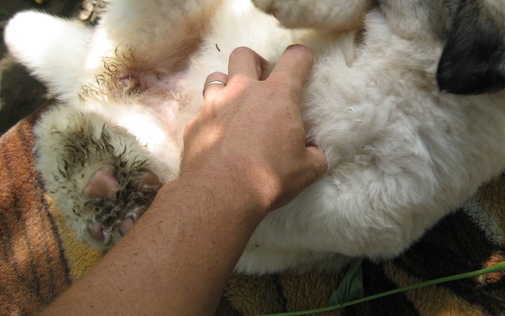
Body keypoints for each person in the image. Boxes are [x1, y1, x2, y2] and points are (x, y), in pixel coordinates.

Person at [41, 44, 328, 316]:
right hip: (186, 165)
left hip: (180, 143)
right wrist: (229, 179)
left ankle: (86, 155)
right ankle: (89, 159)